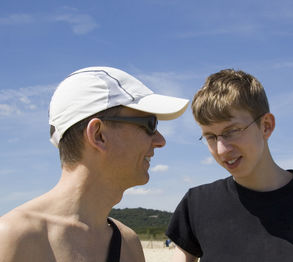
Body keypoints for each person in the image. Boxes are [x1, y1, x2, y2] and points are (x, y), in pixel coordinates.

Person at [0, 66, 189, 262]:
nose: (160, 140)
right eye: (150, 124)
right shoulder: (12, 239)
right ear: (99, 135)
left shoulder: (127, 243)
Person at [166, 69, 293, 262]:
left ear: (266, 126)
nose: (221, 150)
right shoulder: (197, 204)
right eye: (210, 137)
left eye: (232, 131)